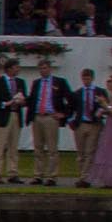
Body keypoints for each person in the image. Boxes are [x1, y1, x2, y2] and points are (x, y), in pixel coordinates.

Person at [25, 59, 74, 187]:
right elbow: (31, 99)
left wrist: (63, 114)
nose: (43, 71)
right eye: (41, 68)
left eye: (45, 68)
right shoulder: (36, 83)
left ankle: (52, 176)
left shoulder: (59, 82)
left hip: (51, 117)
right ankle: (38, 175)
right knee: (38, 148)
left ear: (50, 69)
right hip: (38, 116)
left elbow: (71, 99)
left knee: (52, 148)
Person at [0, 59, 28, 184]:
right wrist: (6, 103)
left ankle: (13, 173)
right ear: (9, 69)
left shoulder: (20, 82)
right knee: (0, 146)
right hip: (3, 116)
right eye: (16, 67)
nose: (18, 69)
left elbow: (24, 99)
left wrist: (22, 101)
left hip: (16, 115)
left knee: (13, 146)